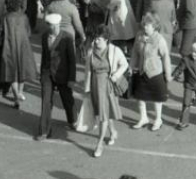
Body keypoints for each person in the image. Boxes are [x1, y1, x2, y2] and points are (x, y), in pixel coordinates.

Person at [83, 24, 128, 157]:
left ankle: (99, 143)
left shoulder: (114, 50)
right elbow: (88, 71)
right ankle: (113, 131)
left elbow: (124, 64)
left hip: (107, 86)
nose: (96, 41)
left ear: (106, 40)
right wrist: (86, 88)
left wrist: (115, 76)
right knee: (104, 113)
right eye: (95, 38)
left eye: (99, 39)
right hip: (95, 84)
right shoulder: (91, 52)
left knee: (103, 115)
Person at [36, 13, 77, 141]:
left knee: (67, 99)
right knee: (46, 101)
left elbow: (72, 60)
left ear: (58, 24)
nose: (52, 29)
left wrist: (71, 79)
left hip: (63, 74)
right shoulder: (44, 37)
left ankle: (73, 120)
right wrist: (42, 74)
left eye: (54, 26)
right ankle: (44, 130)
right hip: (47, 73)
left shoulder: (67, 38)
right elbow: (44, 56)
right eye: (50, 26)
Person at [130, 12, 172, 131]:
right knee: (140, 97)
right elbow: (134, 53)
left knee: (157, 98)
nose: (145, 27)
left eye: (148, 25)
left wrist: (168, 74)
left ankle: (158, 119)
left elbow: (165, 56)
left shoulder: (159, 39)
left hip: (155, 73)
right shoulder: (139, 36)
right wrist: (131, 67)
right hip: (142, 72)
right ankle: (143, 118)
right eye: (144, 24)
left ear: (154, 26)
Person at [0, 0, 37, 107]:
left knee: (11, 73)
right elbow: (28, 32)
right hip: (23, 46)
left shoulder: (5, 17)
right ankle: (20, 92)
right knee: (22, 70)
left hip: (9, 47)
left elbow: (0, 32)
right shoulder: (24, 17)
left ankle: (16, 98)